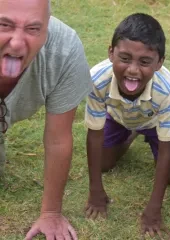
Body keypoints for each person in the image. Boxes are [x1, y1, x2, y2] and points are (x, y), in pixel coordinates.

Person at [84, 13, 170, 238]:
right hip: (118, 118)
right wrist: (95, 190)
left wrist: (155, 207)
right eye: (124, 58)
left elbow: (166, 150)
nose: (133, 70)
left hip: (155, 122)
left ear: (160, 63)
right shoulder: (96, 79)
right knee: (104, 163)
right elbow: (94, 133)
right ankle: (133, 131)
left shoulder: (167, 89)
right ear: (110, 53)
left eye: (144, 62)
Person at [0, 0, 92, 239]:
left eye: (33, 29)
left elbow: (58, 139)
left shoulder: (65, 50)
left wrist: (51, 212)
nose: (18, 43)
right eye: (4, 25)